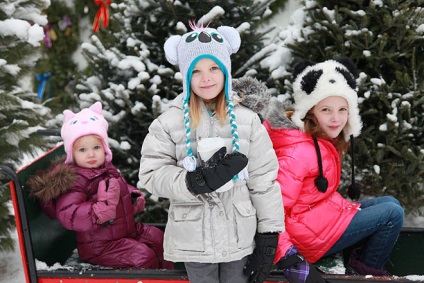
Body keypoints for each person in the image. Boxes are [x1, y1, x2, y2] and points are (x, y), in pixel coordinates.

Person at [138, 22, 285, 283]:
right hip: (194, 238)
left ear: (226, 71)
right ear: (186, 76)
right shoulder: (168, 122)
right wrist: (190, 181)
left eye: (214, 68)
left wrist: (269, 234)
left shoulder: (248, 121)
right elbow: (151, 174)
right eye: (196, 71)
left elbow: (264, 181)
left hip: (239, 234)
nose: (206, 78)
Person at [242, 58, 404, 282]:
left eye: (342, 110)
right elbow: (272, 209)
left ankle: (356, 254)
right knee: (392, 215)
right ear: (310, 112)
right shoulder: (298, 152)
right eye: (326, 110)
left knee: (390, 203)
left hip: (317, 217)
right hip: (305, 238)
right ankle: (365, 270)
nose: (336, 118)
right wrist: (287, 257)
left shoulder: (318, 138)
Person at [27, 102, 174, 270]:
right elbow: (69, 214)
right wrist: (98, 211)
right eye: (82, 150)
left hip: (123, 233)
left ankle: (167, 276)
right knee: (143, 257)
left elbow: (118, 186)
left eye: (96, 147)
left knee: (158, 239)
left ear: (104, 149)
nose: (91, 154)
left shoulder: (105, 168)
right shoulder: (75, 180)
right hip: (98, 245)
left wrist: (131, 196)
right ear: (72, 154)